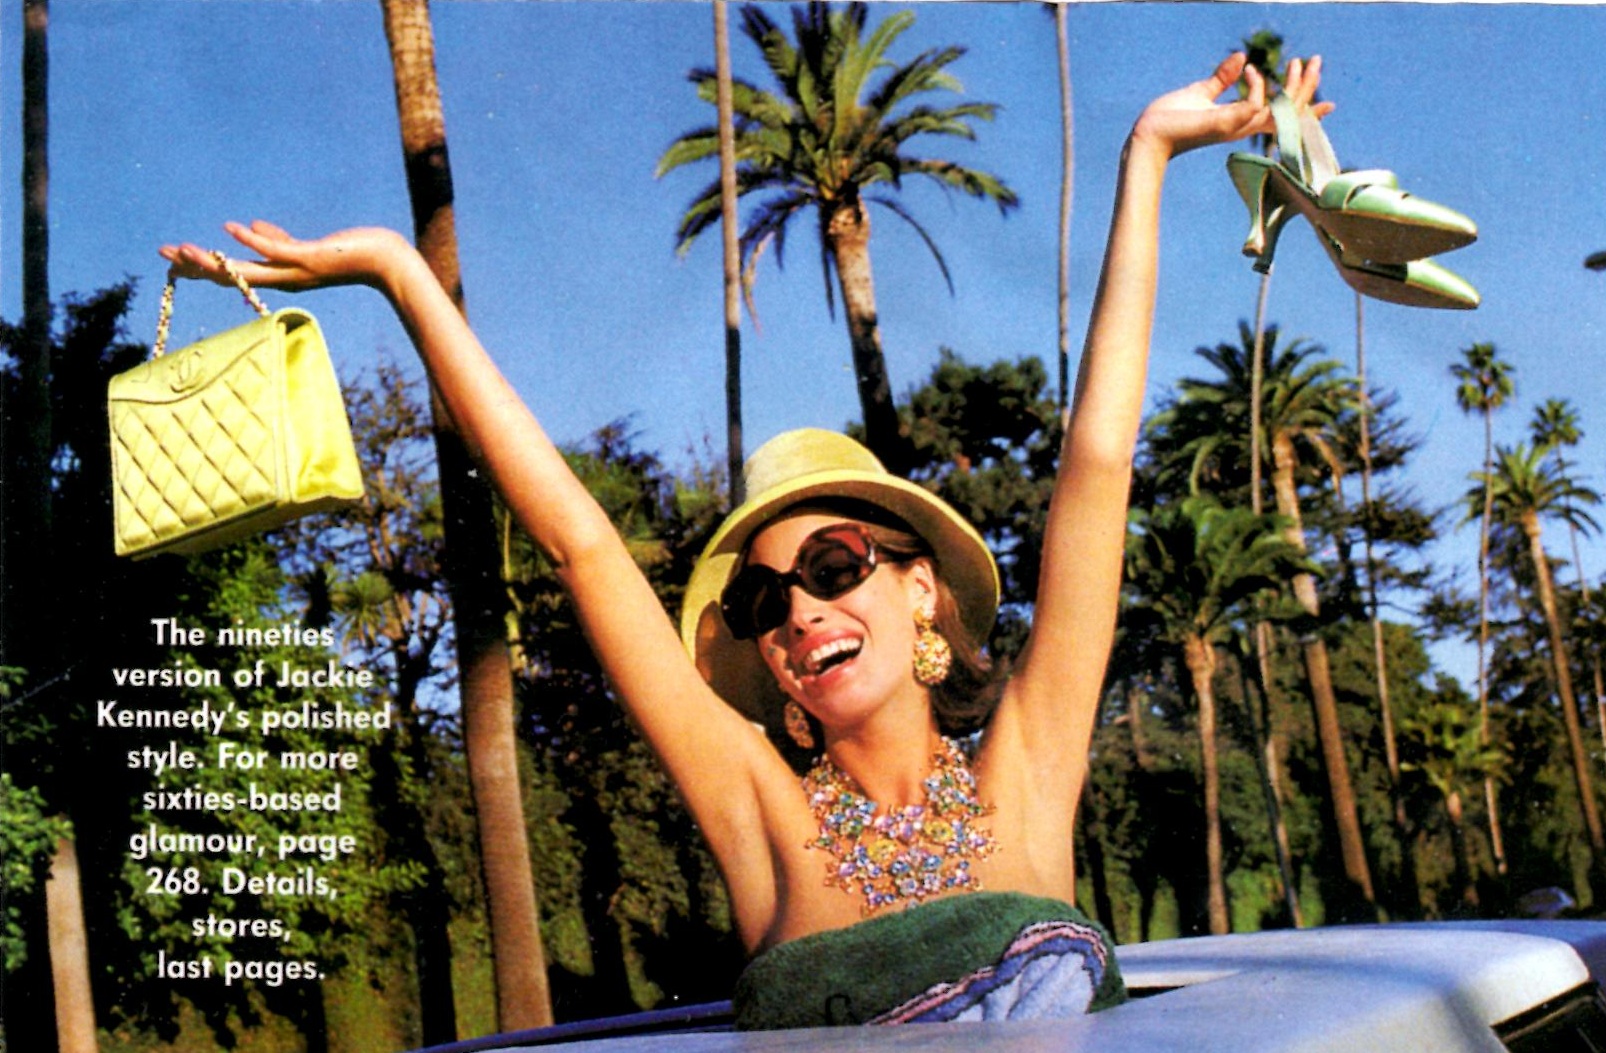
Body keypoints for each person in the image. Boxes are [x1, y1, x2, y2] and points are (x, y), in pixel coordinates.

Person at [162, 53, 1330, 1030]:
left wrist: (1145, 155)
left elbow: (1097, 465)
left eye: (832, 569)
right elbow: (579, 545)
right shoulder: (761, 815)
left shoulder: (1028, 772)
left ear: (920, 592)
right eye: (765, 603)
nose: (801, 612)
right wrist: (402, 274)